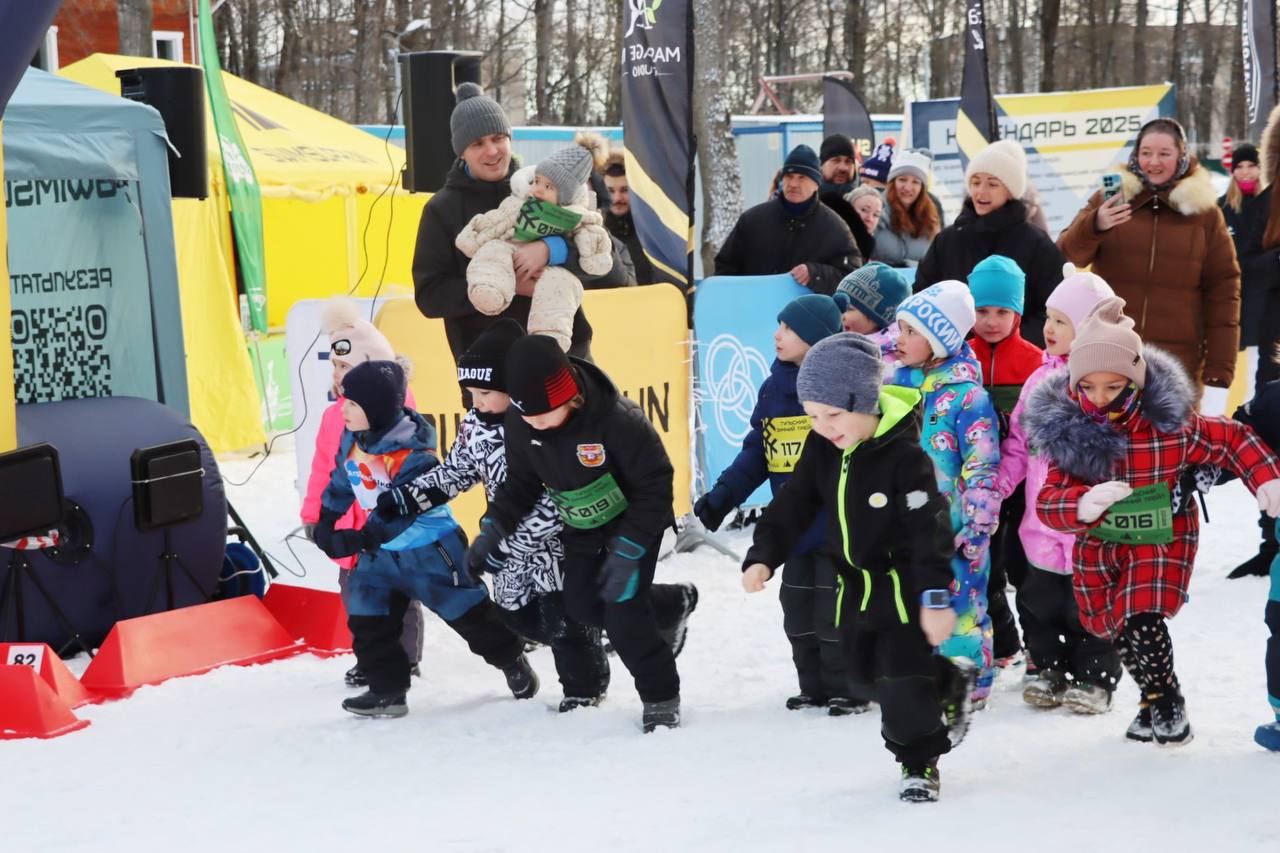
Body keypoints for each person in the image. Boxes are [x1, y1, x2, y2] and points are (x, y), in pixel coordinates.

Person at [1025, 297, 1280, 745]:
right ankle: (1150, 698)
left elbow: (1233, 440)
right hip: (1101, 545)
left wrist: (1266, 480)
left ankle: (1166, 699)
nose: (1099, 399)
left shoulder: (1170, 426)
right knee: (1112, 623)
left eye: (1113, 386)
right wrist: (1082, 503)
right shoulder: (1074, 433)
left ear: (1137, 381)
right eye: (1088, 387)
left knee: (1141, 615)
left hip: (1162, 537)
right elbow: (1048, 500)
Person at [741, 333, 977, 803]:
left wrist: (933, 597)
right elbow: (795, 502)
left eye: (833, 414)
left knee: (899, 683)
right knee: (863, 677)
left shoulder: (905, 460)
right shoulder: (824, 447)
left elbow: (927, 528)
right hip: (853, 588)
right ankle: (949, 680)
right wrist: (765, 553)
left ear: (866, 403)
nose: (823, 426)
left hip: (901, 587)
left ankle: (918, 760)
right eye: (812, 415)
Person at [375, 319, 613, 712]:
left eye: (485, 392)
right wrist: (407, 498)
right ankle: (641, 616)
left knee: (565, 620)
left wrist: (513, 540)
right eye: (470, 393)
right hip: (507, 546)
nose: (476, 402)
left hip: (558, 544)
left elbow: (561, 495)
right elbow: (457, 472)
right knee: (514, 614)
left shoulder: (547, 422)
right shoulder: (475, 426)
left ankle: (584, 689)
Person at [468, 334, 686, 732]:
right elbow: (520, 484)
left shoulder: (618, 420)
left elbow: (656, 485)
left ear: (570, 397)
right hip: (581, 525)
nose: (532, 423)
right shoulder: (522, 420)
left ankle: (660, 695)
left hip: (634, 522)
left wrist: (629, 549)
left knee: (623, 613)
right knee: (583, 606)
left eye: (543, 415)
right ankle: (670, 604)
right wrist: (492, 530)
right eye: (525, 414)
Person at [314, 360, 536, 718]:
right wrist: (325, 520)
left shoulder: (413, 453)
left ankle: (510, 658)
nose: (344, 408)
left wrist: (359, 540)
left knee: (471, 618)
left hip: (431, 554)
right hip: (381, 556)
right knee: (368, 619)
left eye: (353, 403)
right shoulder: (355, 438)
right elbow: (344, 478)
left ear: (376, 407)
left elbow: (402, 513)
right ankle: (387, 692)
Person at [694, 294, 868, 715]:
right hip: (793, 526)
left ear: (814, 336)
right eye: (779, 325)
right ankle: (812, 686)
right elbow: (758, 450)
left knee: (834, 612)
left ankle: (850, 688)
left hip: (835, 525)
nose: (777, 335)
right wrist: (723, 496)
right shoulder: (773, 388)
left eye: (788, 328)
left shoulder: (840, 388)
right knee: (798, 613)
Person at [411, 83, 626, 362]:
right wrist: (506, 284)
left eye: (498, 138)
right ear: (461, 151)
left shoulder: (548, 186)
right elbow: (430, 296)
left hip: (566, 355)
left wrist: (552, 250)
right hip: (491, 369)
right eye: (477, 144)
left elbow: (612, 272)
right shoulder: (441, 210)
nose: (492, 151)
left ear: (510, 138)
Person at [996, 265, 1118, 712]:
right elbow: (1017, 445)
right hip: (1040, 524)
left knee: (1091, 607)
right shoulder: (1037, 380)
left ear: (1090, 328)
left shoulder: (1106, 384)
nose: (1048, 328)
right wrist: (999, 485)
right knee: (1040, 603)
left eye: (1061, 321)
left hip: (1090, 526)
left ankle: (1095, 679)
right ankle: (1049, 669)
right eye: (1048, 317)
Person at [1058, 118, 1241, 392]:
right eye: (1146, 153)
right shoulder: (1110, 199)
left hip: (1176, 361)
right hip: (1108, 353)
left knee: (1168, 434)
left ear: (1181, 156)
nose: (1153, 162)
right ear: (1135, 155)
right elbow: (1066, 255)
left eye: (1164, 154)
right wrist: (1095, 225)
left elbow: (1224, 288)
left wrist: (1220, 364)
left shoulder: (1205, 213)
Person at [301, 298, 425, 688]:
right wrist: (313, 514)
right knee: (356, 598)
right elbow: (322, 469)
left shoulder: (400, 411)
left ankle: (405, 659)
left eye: (346, 367)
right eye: (335, 367)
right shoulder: (332, 416)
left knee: (399, 597)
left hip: (390, 529)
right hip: (348, 531)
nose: (338, 376)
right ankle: (370, 657)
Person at [889, 281, 1002, 705]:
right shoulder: (897, 386)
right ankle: (917, 676)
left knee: (962, 606)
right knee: (910, 601)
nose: (899, 339)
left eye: (910, 332)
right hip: (907, 523)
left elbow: (983, 465)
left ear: (938, 341)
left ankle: (966, 682)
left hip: (954, 527)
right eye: (899, 329)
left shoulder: (967, 397)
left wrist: (976, 527)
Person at [454, 147, 613, 351]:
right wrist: (474, 240)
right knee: (493, 250)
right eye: (536, 181)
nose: (538, 189)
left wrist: (553, 249)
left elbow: (604, 262)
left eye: (548, 186)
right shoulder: (518, 202)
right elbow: (496, 222)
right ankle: (490, 289)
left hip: (568, 336)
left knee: (561, 284)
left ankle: (551, 338)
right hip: (489, 340)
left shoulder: (579, 217)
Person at [966, 255, 1043, 670]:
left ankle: (1039, 647)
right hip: (978, 483)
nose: (992, 320)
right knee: (985, 567)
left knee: (1025, 569)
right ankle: (1002, 643)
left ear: (1018, 312)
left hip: (1026, 484)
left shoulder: (1035, 360)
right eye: (981, 311)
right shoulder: (961, 357)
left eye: (1002, 311)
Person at [915, 139, 1066, 349]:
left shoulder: (1036, 243)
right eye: (975, 183)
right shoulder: (948, 240)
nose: (981, 191)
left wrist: (1014, 346)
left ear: (1011, 190)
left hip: (1020, 370)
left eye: (992, 184)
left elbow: (1054, 310)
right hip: (953, 363)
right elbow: (923, 299)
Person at [715, 144, 861, 294]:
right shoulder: (752, 220)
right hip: (753, 312)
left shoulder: (834, 228)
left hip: (805, 314)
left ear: (816, 184)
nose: (793, 184)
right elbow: (725, 268)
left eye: (802, 178)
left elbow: (851, 276)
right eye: (789, 176)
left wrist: (815, 274)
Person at [872, 149, 941, 267]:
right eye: (902, 179)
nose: (908, 187)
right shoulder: (876, 212)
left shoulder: (930, 217)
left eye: (915, 182)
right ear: (892, 183)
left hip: (917, 283)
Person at [834, 262, 910, 366]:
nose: (840, 313)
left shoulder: (880, 360)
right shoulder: (836, 335)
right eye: (837, 304)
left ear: (877, 318)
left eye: (849, 309)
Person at [818, 134, 876, 260]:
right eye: (836, 160)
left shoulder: (869, 200)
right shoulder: (809, 200)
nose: (843, 168)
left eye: (848, 161)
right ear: (821, 165)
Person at [601, 148, 655, 284]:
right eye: (610, 191)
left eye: (625, 190)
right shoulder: (595, 231)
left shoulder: (651, 232)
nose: (617, 198)